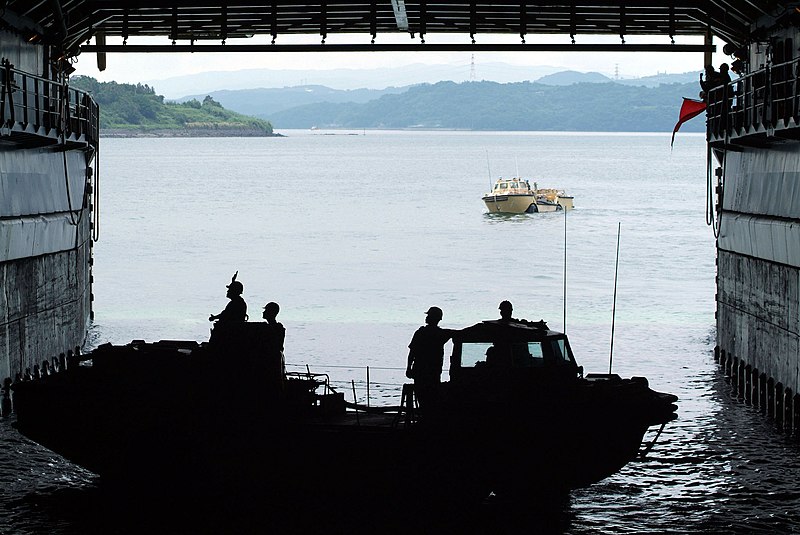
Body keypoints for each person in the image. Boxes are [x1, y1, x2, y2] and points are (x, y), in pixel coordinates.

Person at [405, 306, 453, 411]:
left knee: (423, 398)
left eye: (428, 315)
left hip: (420, 371)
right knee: (432, 398)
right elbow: (457, 333)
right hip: (434, 372)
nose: (426, 317)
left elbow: (412, 353)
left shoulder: (420, 333)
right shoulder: (442, 334)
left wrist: (408, 368)